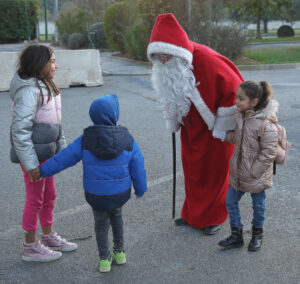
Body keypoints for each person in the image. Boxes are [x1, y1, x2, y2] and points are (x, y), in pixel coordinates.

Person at [147, 13, 244, 234]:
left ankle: (214, 218)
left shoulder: (207, 60)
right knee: (193, 173)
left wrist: (222, 127)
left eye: (166, 56)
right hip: (190, 128)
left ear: (176, 50)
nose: (162, 61)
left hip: (216, 129)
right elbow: (168, 94)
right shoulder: (166, 66)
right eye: (158, 56)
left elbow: (235, 90)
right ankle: (192, 215)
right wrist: (173, 120)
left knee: (214, 174)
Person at [39, 94, 147, 272]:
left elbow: (63, 159)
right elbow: (138, 165)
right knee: (117, 218)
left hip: (95, 194)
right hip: (119, 193)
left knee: (101, 224)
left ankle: (104, 259)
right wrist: (140, 189)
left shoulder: (85, 139)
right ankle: (120, 253)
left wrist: (43, 171)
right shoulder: (127, 139)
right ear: (114, 114)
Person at [10, 44, 77, 262]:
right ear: (40, 64)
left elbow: (56, 125)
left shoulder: (47, 86)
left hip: (46, 154)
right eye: (53, 61)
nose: (56, 66)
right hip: (33, 157)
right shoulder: (30, 91)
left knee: (50, 196)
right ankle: (30, 246)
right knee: (35, 199)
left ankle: (47, 237)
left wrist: (62, 154)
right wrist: (31, 165)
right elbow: (20, 132)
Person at [218, 80, 278, 251]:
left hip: (255, 175)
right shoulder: (240, 116)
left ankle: (257, 234)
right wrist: (223, 135)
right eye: (237, 97)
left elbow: (268, 153)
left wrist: (253, 171)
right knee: (230, 201)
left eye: (241, 99)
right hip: (239, 172)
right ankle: (237, 235)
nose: (236, 102)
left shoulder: (266, 125)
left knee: (258, 205)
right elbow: (240, 139)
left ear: (254, 102)